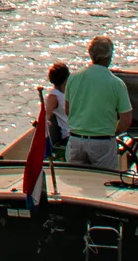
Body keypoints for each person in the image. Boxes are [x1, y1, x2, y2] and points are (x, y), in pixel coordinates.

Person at [62, 37, 132, 170]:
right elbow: (126, 120)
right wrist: (114, 131)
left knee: (77, 178)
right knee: (104, 182)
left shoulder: (73, 78)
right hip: (102, 142)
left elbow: (68, 110)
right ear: (109, 57)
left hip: (76, 140)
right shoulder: (116, 84)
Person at [39, 63, 71, 158]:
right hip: (68, 135)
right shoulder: (54, 96)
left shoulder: (67, 92)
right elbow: (46, 116)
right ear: (66, 78)